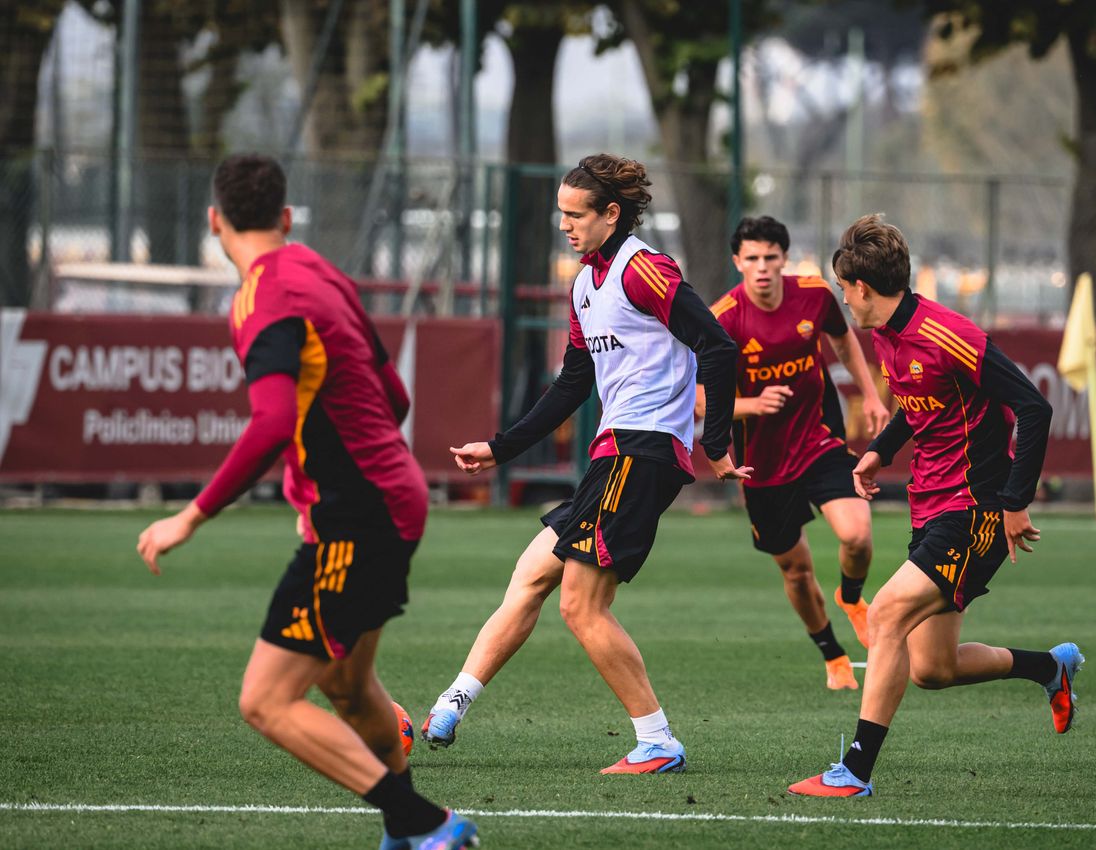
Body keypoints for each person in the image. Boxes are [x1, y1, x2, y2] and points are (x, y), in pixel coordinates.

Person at [136, 154, 477, 850]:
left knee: (265, 700)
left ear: (214, 222)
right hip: (393, 495)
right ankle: (405, 832)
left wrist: (190, 515)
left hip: (357, 511)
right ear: (286, 218)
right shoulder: (321, 272)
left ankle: (427, 824)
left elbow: (268, 421)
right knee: (351, 689)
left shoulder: (260, 298)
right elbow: (396, 397)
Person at [427, 153, 747, 774]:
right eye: (561, 216)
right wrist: (500, 448)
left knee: (580, 606)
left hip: (642, 450)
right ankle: (452, 704)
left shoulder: (644, 272)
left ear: (612, 213)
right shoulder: (582, 285)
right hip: (613, 456)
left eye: (577, 216)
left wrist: (717, 442)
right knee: (530, 577)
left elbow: (718, 344)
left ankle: (656, 740)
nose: (567, 227)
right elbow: (573, 383)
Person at [788, 214, 1080, 798]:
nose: (843, 298)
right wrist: (880, 452)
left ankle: (855, 771)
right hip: (931, 508)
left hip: (974, 509)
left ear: (863, 289)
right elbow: (920, 406)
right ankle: (1051, 667)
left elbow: (1033, 408)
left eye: (844, 288)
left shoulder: (949, 333)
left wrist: (1015, 503)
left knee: (888, 613)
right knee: (932, 669)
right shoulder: (887, 332)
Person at [698, 216, 890, 691]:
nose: (762, 267)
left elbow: (844, 342)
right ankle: (833, 656)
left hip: (819, 440)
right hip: (761, 464)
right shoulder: (723, 318)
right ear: (737, 261)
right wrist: (751, 405)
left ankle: (851, 598)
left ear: (784, 258)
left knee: (858, 535)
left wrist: (869, 395)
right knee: (798, 572)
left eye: (771, 257)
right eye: (752, 259)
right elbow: (699, 398)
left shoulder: (815, 294)